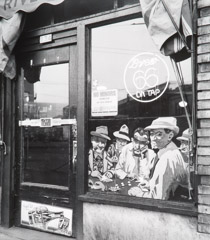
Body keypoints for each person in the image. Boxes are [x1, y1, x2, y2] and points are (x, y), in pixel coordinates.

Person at [128, 117, 189, 200]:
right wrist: (150, 184)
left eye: (159, 134)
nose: (153, 138)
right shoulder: (163, 152)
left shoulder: (169, 157)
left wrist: (139, 193)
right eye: (152, 134)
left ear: (170, 136)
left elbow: (158, 197)